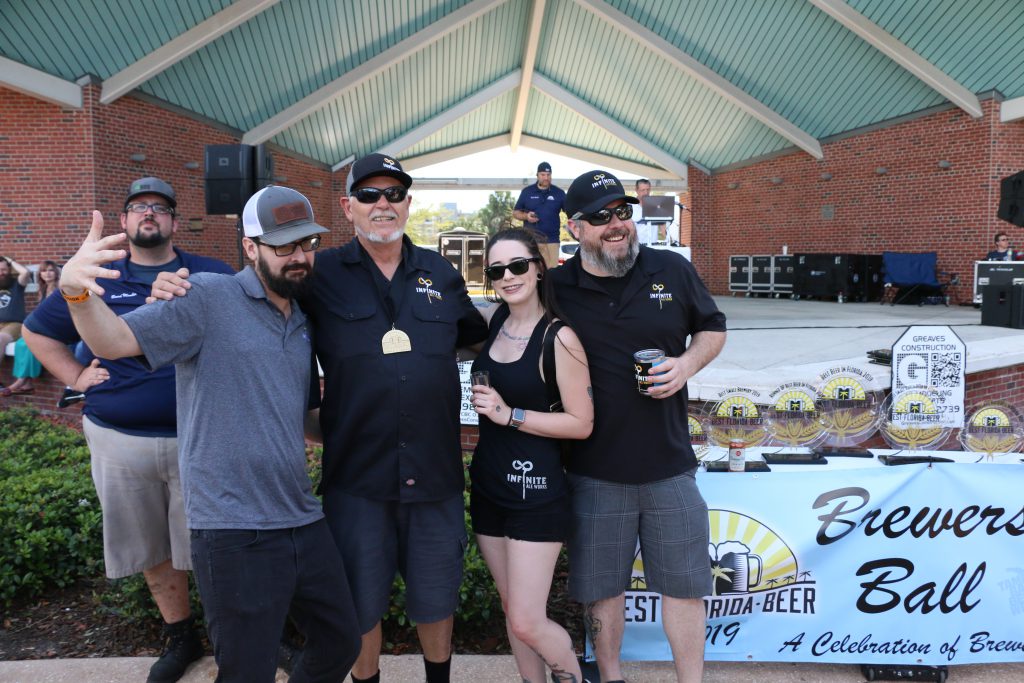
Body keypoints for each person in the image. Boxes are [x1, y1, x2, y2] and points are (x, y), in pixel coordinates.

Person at [53, 185, 361, 683]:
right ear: (250, 247)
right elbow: (114, 340)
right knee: (246, 670)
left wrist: (374, 424)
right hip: (232, 527)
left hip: (302, 517)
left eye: (307, 244)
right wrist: (75, 290)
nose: (299, 257)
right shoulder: (206, 296)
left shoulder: (302, 320)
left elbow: (304, 421)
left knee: (339, 641)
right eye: (284, 246)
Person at [23, 177, 235, 683]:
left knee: (214, 545)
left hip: (198, 439)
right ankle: (180, 636)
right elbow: (35, 331)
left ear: (174, 223)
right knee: (151, 548)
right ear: (122, 222)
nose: (149, 214)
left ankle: (234, 639)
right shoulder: (95, 273)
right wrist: (75, 377)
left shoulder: (210, 272)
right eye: (139, 207)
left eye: (160, 209)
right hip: (119, 439)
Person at [549, 170, 727, 683]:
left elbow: (712, 328)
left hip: (669, 465)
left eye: (623, 212)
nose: (616, 224)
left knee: (685, 587)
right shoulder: (557, 288)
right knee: (602, 590)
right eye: (601, 217)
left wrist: (687, 365)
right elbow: (507, 330)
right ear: (576, 226)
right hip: (593, 470)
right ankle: (610, 678)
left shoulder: (670, 268)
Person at [469, 228, 593, 683]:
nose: (508, 276)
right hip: (488, 488)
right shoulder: (494, 323)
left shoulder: (559, 338)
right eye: (497, 270)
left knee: (526, 618)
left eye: (518, 265)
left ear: (538, 268)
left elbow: (582, 423)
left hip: (537, 493)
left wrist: (510, 414)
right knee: (511, 608)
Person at [3, 260, 59, 396]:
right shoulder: (43, 289)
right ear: (40, 274)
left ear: (56, 273)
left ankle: (21, 381)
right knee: (21, 343)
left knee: (31, 343)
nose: (48, 274)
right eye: (44, 271)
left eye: (51, 270)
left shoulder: (60, 288)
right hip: (44, 327)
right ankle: (27, 383)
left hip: (57, 327)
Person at [513, 162, 567, 268]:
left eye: (548, 175)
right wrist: (526, 216)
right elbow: (516, 213)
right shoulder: (527, 192)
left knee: (551, 273)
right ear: (537, 175)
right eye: (543, 175)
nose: (546, 178)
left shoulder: (559, 193)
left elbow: (570, 212)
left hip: (552, 240)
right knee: (533, 270)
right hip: (532, 241)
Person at [0, 255, 33, 387]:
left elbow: (25, 272)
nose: (1, 273)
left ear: (9, 270)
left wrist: (10, 260)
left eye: (4, 270)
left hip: (13, 324)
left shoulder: (16, 284)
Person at [632, 179, 658, 245]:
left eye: (648, 190)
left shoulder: (656, 206)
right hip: (636, 246)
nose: (646, 193)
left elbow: (663, 226)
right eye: (643, 190)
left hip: (653, 246)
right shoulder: (630, 207)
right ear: (636, 190)